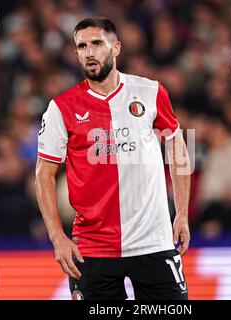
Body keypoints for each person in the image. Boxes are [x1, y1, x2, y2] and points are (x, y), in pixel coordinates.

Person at [35, 17, 191, 300]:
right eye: (82, 46)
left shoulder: (151, 92)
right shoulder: (61, 108)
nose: (89, 52)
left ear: (116, 48)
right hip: (92, 248)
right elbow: (43, 175)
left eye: (97, 43)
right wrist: (57, 236)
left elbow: (178, 148)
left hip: (153, 241)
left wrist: (181, 212)